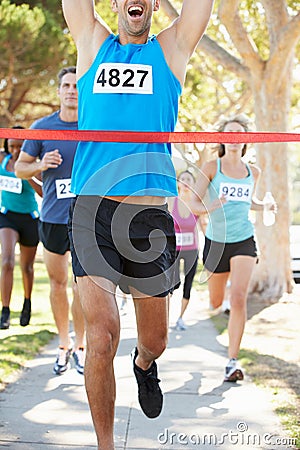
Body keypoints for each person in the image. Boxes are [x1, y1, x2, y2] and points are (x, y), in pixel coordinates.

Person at [62, 0, 214, 447]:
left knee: (156, 339)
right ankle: (106, 445)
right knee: (102, 333)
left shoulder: (170, 51)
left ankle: (145, 365)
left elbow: (198, 10)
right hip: (93, 211)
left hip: (149, 218)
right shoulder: (92, 44)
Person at [192, 114, 276, 383]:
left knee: (239, 298)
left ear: (245, 140)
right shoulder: (211, 167)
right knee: (217, 303)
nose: (234, 138)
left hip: (243, 239)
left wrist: (265, 206)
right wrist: (213, 205)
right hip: (217, 242)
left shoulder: (254, 171)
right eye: (229, 133)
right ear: (222, 138)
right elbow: (192, 204)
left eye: (239, 133)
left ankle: (231, 361)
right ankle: (223, 297)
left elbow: (248, 201)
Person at [15, 67, 86, 375]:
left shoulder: (93, 127)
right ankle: (63, 344)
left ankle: (81, 346)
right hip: (53, 218)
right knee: (58, 283)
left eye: (76, 86)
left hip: (86, 219)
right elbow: (20, 168)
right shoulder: (42, 128)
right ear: (58, 92)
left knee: (82, 285)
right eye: (66, 85)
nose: (71, 90)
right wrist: (41, 164)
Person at [0, 127, 41, 329]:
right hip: (7, 216)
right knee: (7, 261)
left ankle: (27, 302)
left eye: (20, 147)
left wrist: (28, 175)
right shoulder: (2, 160)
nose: (15, 151)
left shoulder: (32, 164)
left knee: (27, 267)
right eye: (12, 146)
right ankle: (5, 311)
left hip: (30, 219)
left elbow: (43, 192)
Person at [169, 170, 200, 331]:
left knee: (188, 284)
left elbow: (203, 226)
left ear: (193, 184)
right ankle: (167, 315)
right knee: (173, 284)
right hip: (174, 250)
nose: (186, 182)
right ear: (178, 183)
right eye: (183, 179)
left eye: (189, 179)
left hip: (192, 250)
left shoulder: (196, 204)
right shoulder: (171, 201)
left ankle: (180, 318)